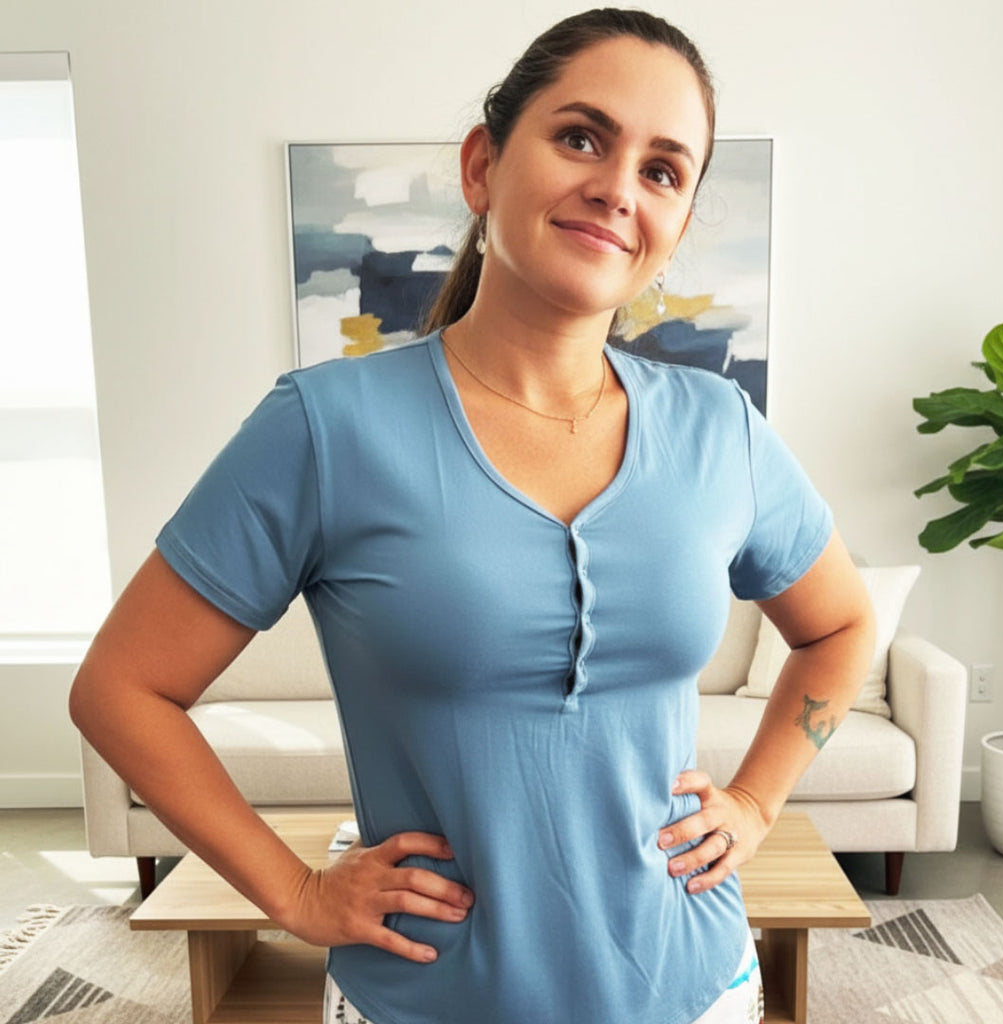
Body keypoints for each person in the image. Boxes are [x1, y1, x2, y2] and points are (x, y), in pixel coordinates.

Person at [70, 9, 874, 1024]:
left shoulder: (722, 431)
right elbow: (121, 689)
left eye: (663, 170)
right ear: (482, 166)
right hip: (422, 998)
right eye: (581, 136)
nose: (617, 187)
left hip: (695, 987)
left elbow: (842, 627)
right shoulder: (324, 428)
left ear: (671, 226)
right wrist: (296, 891)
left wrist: (757, 801)